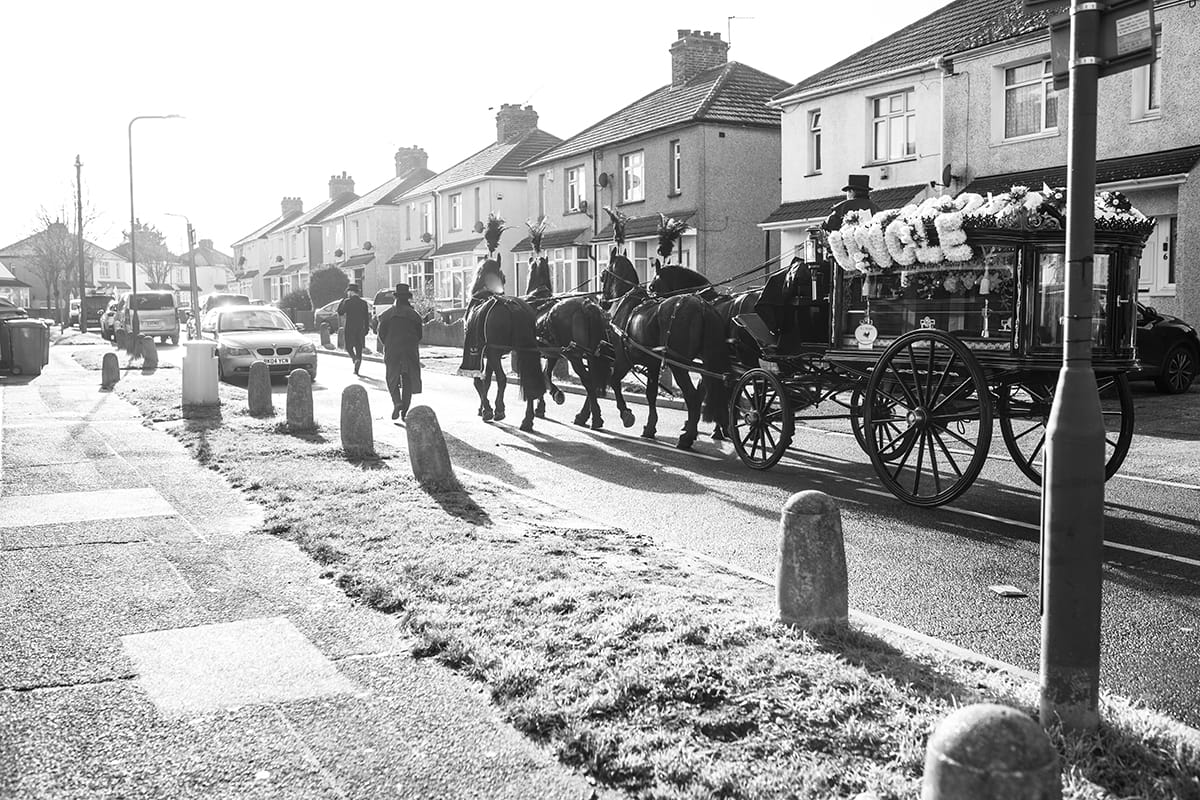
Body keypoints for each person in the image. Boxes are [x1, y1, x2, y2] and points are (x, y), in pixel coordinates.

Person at [376, 283, 424, 421]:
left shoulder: (386, 315)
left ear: (395, 297)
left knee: (392, 378)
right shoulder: (414, 315)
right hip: (409, 350)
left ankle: (397, 402)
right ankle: (405, 410)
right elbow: (419, 335)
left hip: (392, 349)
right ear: (407, 298)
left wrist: (388, 345)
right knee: (408, 378)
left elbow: (381, 334)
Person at [336, 284, 371, 375]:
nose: (347, 294)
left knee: (348, 347)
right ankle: (357, 368)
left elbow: (340, 312)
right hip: (360, 328)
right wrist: (366, 329)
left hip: (350, 327)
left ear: (351, 292)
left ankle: (354, 359)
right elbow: (366, 317)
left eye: (348, 292)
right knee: (359, 348)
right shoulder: (363, 303)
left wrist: (341, 302)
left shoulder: (347, 302)